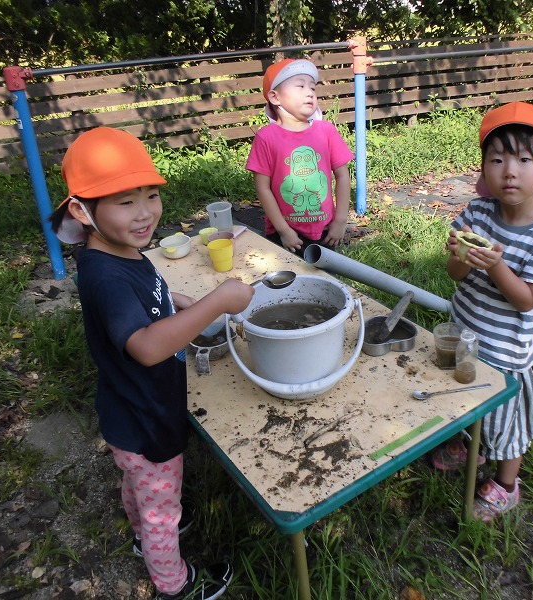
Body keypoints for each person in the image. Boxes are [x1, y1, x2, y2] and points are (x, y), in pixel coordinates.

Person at [49, 127, 253, 599]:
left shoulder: (114, 250)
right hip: (145, 415)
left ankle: (143, 533)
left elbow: (149, 296)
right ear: (82, 210)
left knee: (140, 485)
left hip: (125, 409)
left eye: (150, 195)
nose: (145, 213)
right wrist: (218, 301)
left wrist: (179, 301)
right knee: (164, 504)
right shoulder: (107, 278)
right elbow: (145, 346)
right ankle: (175, 583)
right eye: (124, 202)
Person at [429, 102, 533, 521]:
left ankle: (506, 485)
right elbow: (454, 273)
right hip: (466, 332)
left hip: (506, 351)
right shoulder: (476, 214)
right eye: (498, 159)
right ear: (484, 169)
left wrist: (496, 266)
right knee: (463, 396)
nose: (510, 170)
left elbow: (527, 299)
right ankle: (465, 443)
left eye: (524, 159)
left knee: (507, 424)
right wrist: (461, 254)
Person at [246, 58, 355, 254]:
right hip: (283, 234)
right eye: (300, 86)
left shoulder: (326, 131)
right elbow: (263, 188)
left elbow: (343, 175)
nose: (309, 92)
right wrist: (283, 230)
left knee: (325, 281)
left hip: (326, 231)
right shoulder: (265, 138)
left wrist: (340, 221)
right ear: (275, 97)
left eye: (313, 88)